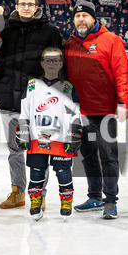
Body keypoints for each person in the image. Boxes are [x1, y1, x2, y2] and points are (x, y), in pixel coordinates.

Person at [0, 0, 63, 210]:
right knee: (15, 149)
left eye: (31, 4)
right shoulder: (6, 31)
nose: (27, 7)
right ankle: (18, 191)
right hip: (10, 99)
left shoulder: (50, 32)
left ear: (37, 7)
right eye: (23, 4)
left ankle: (39, 193)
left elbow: (58, 65)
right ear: (17, 6)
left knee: (40, 149)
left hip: (39, 102)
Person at [63, 0, 128, 219]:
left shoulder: (111, 40)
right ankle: (94, 196)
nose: (81, 19)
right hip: (79, 110)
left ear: (94, 18)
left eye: (85, 15)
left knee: (108, 156)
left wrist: (122, 101)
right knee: (88, 156)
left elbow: (123, 71)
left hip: (104, 110)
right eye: (78, 16)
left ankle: (110, 200)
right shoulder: (69, 43)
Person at [15, 47, 82, 221]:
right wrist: (23, 131)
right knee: (36, 173)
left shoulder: (68, 87)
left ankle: (66, 203)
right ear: (42, 63)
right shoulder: (31, 86)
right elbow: (24, 112)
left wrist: (73, 134)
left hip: (61, 139)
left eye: (55, 60)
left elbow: (75, 114)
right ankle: (35, 202)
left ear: (61, 64)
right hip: (37, 139)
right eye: (48, 60)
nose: (51, 63)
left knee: (63, 172)